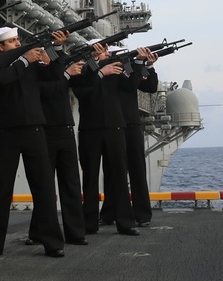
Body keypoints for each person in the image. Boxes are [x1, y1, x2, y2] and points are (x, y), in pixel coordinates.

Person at [0, 27, 66, 259]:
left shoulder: (32, 65)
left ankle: (53, 243)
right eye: (11, 41)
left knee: (44, 187)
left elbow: (55, 74)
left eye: (17, 40)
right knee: (2, 189)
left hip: (34, 130)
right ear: (0, 47)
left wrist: (57, 49)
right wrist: (24, 60)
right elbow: (3, 81)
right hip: (7, 133)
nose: (16, 43)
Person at [71, 45, 140, 236]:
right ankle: (89, 224)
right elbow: (82, 92)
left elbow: (130, 86)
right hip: (90, 130)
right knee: (90, 178)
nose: (109, 54)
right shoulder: (82, 70)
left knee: (119, 175)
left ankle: (125, 222)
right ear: (94, 55)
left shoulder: (114, 71)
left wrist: (139, 63)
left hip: (114, 128)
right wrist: (101, 73)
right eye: (104, 52)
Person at [25, 51, 88, 246]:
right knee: (45, 186)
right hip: (46, 132)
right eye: (45, 52)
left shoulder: (59, 72)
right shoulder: (35, 72)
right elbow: (45, 91)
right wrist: (66, 74)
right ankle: (37, 232)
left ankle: (76, 233)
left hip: (66, 130)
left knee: (71, 184)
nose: (49, 56)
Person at [100, 47, 160, 228]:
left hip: (131, 124)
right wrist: (139, 65)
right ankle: (109, 213)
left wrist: (148, 67)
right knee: (112, 171)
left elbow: (150, 87)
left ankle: (142, 214)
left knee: (137, 170)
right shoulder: (110, 71)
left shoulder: (129, 70)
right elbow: (128, 84)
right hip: (115, 124)